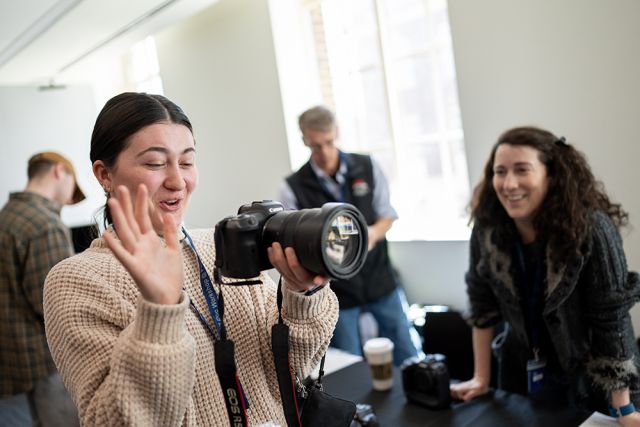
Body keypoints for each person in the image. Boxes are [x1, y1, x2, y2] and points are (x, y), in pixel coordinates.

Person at [43, 92, 338, 426]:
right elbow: (116, 421)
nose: (177, 181)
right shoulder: (76, 280)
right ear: (104, 174)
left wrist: (301, 295)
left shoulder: (220, 246)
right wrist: (160, 312)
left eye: (186, 162)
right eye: (154, 163)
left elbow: (291, 372)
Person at [449, 126, 640, 424]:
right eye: (500, 172)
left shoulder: (592, 229)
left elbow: (611, 320)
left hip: (592, 380)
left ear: (551, 175)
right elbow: (481, 306)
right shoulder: (487, 229)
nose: (509, 184)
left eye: (522, 170)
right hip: (518, 373)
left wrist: (624, 408)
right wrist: (480, 378)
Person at [279, 105, 418, 365]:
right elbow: (292, 240)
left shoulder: (367, 166)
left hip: (379, 278)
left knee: (406, 351)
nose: (324, 152)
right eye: (315, 146)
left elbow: (387, 214)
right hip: (336, 291)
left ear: (337, 133)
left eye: (329, 142)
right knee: (349, 363)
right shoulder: (292, 187)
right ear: (304, 141)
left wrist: (371, 235)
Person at [0, 152, 84, 426]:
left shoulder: (7, 216)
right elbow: (56, 307)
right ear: (60, 172)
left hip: (13, 364)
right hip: (46, 365)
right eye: (74, 187)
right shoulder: (45, 225)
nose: (71, 199)